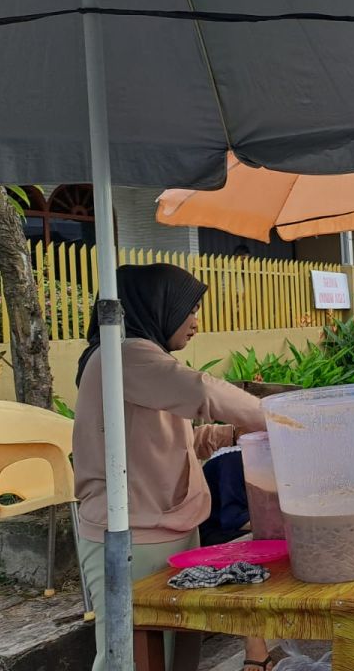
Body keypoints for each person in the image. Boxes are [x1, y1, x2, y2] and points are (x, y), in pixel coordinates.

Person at [73, 264, 270, 671]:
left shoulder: (140, 363)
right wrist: (285, 418)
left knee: (177, 653)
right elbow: (202, 390)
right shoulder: (123, 354)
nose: (196, 322)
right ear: (157, 305)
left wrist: (225, 437)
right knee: (129, 657)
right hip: (134, 536)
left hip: (169, 527)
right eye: (190, 309)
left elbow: (168, 443)